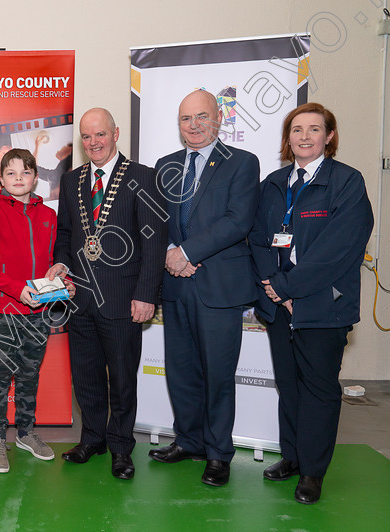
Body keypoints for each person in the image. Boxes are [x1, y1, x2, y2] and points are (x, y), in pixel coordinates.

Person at [249, 103, 373, 504]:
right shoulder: (274, 183)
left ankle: (313, 472)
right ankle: (292, 457)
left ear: (329, 137)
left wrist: (288, 288)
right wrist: (274, 287)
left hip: (323, 306)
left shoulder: (347, 183)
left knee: (319, 389)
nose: (304, 137)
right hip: (278, 305)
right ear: (288, 138)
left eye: (314, 129)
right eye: (297, 130)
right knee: (290, 386)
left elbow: (337, 251)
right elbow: (258, 238)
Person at [149, 90, 259, 487]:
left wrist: (189, 253)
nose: (193, 125)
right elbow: (156, 222)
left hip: (217, 286)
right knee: (181, 372)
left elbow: (238, 220)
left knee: (217, 374)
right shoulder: (166, 165)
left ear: (218, 119)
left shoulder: (243, 163)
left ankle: (218, 453)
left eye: (201, 117)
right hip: (176, 285)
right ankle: (189, 440)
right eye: (185, 119)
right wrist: (168, 253)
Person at [52, 108, 167, 479]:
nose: (93, 143)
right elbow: (66, 235)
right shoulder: (71, 181)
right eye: (86, 137)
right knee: (85, 376)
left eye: (100, 135)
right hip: (79, 298)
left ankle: (120, 446)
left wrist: (146, 293)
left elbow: (153, 241)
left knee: (121, 378)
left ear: (116, 134)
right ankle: (92, 439)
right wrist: (60, 266)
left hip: (123, 298)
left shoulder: (143, 177)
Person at [0, 148, 74, 473]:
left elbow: (51, 263)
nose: (19, 178)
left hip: (37, 313)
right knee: (0, 378)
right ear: (1, 179)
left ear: (35, 177)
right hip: (2, 311)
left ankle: (26, 432)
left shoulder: (48, 216)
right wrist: (17, 291)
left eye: (25, 172)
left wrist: (63, 282)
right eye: (11, 173)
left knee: (30, 374)